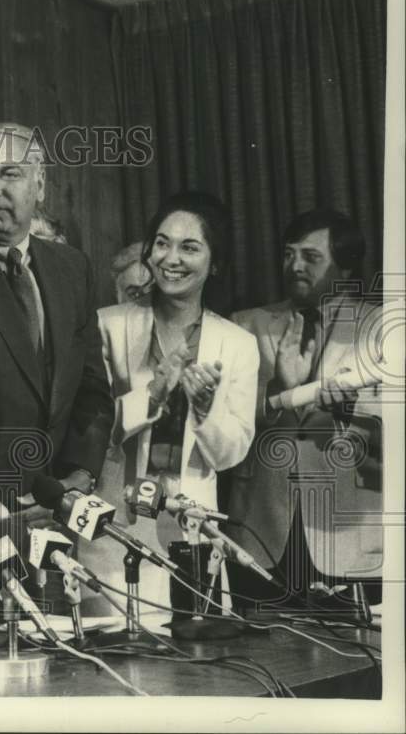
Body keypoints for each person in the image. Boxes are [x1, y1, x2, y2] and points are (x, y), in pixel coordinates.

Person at [0, 122, 114, 554]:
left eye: (9, 173)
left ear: (40, 183)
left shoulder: (72, 269)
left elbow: (91, 389)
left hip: (57, 516)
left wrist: (79, 475)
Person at [91, 192, 259, 611]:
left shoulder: (238, 344)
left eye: (190, 247)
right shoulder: (107, 325)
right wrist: (154, 392)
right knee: (114, 641)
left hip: (193, 535)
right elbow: (88, 429)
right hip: (115, 530)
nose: (171, 258)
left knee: (197, 642)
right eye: (162, 243)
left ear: (214, 263)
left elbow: (230, 454)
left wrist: (205, 411)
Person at [227, 209, 383, 610]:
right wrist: (279, 391)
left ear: (346, 268)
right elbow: (225, 420)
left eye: (311, 257)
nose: (294, 266)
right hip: (260, 535)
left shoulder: (382, 329)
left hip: (349, 536)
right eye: (288, 254)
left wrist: (353, 410)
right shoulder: (244, 326)